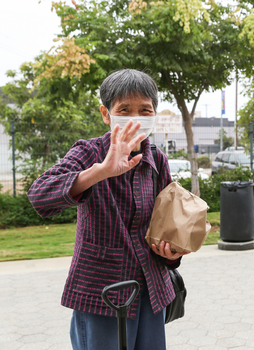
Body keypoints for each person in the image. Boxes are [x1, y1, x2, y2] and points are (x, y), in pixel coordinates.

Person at [28, 69, 189, 350]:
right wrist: (100, 172)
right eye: (124, 110)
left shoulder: (157, 160)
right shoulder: (89, 152)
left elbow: (167, 224)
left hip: (152, 290)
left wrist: (173, 252)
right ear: (106, 113)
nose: (135, 118)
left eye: (145, 110)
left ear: (154, 115)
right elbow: (40, 195)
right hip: (102, 293)